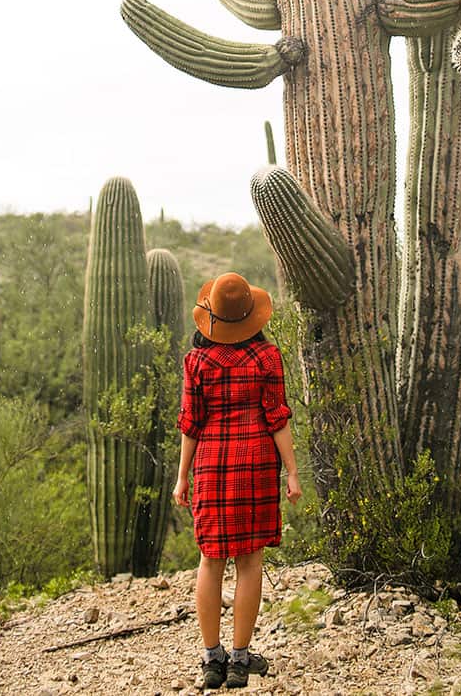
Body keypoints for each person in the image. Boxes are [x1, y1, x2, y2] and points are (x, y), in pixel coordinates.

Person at [173, 271, 302, 691]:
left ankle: (212, 659)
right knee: (249, 561)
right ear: (251, 317)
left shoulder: (197, 362)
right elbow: (277, 417)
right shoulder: (267, 358)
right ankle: (240, 660)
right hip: (257, 463)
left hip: (210, 464)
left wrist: (181, 479)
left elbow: (190, 425)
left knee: (211, 559)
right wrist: (293, 473)